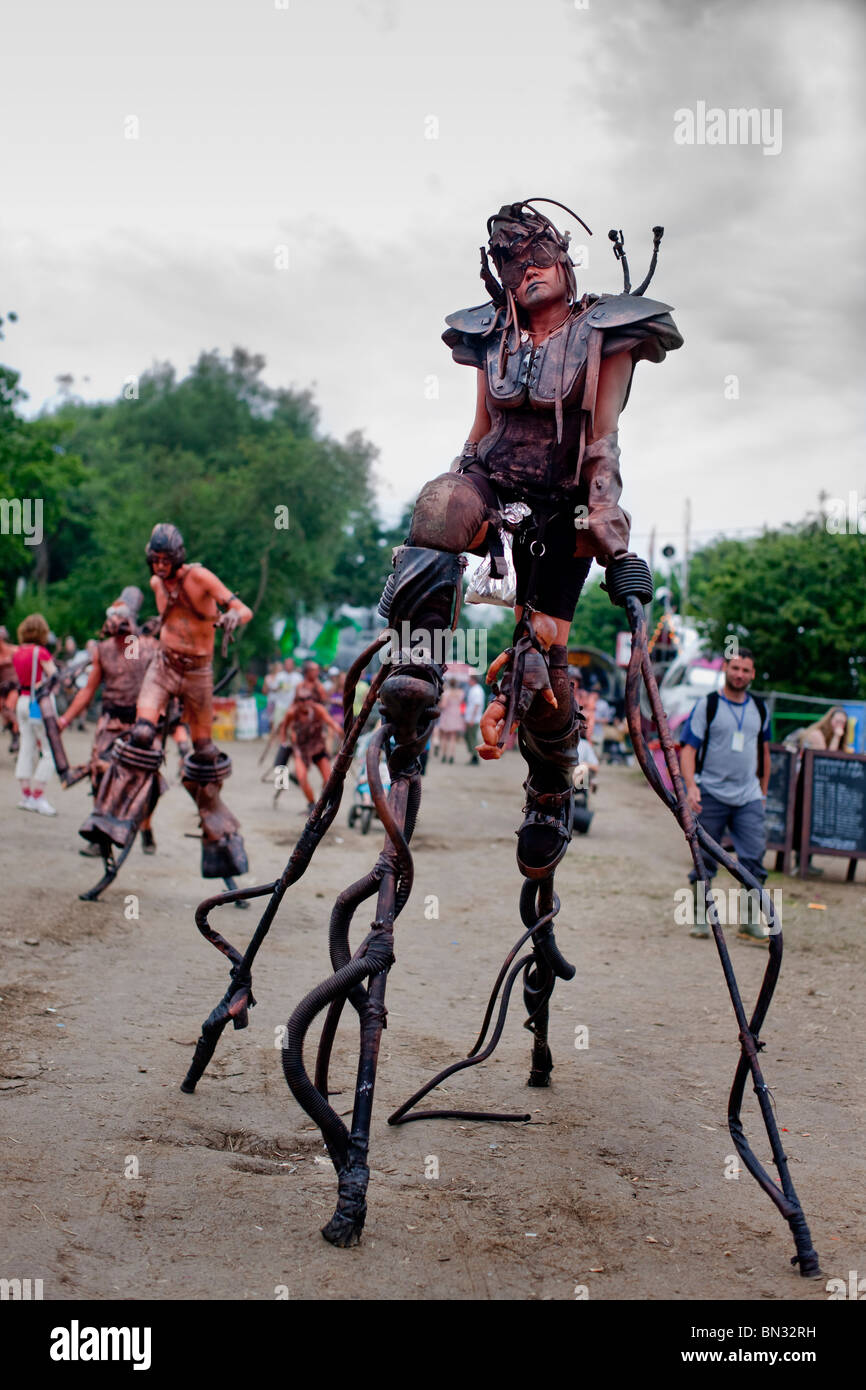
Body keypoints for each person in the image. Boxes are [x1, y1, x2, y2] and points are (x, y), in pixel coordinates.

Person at [378, 197, 681, 879]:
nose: (530, 269)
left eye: (541, 255)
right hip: (494, 481)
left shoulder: (605, 332)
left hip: (563, 509)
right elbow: (480, 431)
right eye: (514, 262)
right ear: (501, 277)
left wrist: (608, 521)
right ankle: (416, 676)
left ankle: (548, 790)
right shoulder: (494, 338)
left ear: (567, 263)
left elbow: (602, 440)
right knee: (438, 504)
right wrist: (459, 488)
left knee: (541, 656)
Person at [82, 524, 253, 877]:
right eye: (154, 559)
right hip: (163, 665)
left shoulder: (200, 577)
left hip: (197, 673)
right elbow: (167, 623)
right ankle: (110, 817)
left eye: (166, 559)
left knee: (204, 754)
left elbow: (241, 608)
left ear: (178, 557)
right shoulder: (156, 585)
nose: (160, 566)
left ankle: (219, 834)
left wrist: (233, 615)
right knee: (141, 733)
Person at [58, 587, 159, 854]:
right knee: (100, 774)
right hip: (110, 721)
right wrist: (64, 720)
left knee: (147, 782)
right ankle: (100, 838)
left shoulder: (148, 646)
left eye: (123, 615)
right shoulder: (102, 650)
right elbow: (88, 690)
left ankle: (146, 827)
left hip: (141, 724)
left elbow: (161, 685)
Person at [679, 649, 771, 943]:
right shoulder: (708, 705)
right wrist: (691, 786)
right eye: (735, 668)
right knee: (704, 856)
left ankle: (747, 923)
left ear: (752, 674)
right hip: (711, 793)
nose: (740, 674)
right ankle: (701, 918)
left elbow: (764, 752)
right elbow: (689, 749)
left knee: (754, 857)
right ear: (725, 669)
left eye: (745, 669)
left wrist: (763, 791)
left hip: (748, 796)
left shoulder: (760, 707)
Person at [12, 613, 58, 815]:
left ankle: (26, 795)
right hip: (37, 703)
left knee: (26, 747)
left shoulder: (17, 652)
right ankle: (39, 796)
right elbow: (54, 676)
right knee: (49, 750)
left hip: (21, 701)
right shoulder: (41, 653)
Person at [276, 681, 344, 809]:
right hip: (301, 750)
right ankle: (312, 804)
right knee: (301, 777)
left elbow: (331, 723)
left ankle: (322, 803)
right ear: (297, 701)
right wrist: (284, 742)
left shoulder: (318, 710)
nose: (305, 702)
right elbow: (284, 727)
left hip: (318, 748)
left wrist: (341, 734)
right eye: (302, 700)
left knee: (328, 778)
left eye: (308, 699)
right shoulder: (292, 712)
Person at [0, 623, 20, 752]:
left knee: (9, 708)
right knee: (3, 709)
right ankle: (13, 731)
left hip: (14, 686)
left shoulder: (14, 650)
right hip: (2, 688)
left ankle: (16, 735)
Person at [437, 676, 466, 763]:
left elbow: (443, 705)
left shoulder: (446, 693)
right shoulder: (461, 693)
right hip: (456, 715)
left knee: (445, 737)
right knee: (453, 738)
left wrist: (438, 705)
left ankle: (444, 755)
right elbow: (462, 704)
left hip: (447, 715)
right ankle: (452, 756)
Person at [463, 673, 485, 765]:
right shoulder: (474, 689)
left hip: (474, 719)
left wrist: (472, 718)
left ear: (473, 680)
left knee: (472, 738)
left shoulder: (477, 690)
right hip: (471, 718)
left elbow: (477, 705)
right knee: (469, 737)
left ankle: (475, 756)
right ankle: (473, 755)